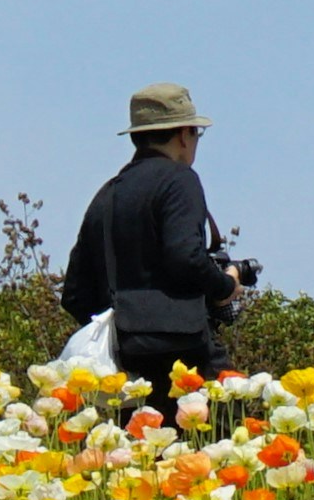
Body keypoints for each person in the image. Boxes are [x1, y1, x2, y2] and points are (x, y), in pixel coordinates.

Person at [64, 82, 249, 426]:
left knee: (143, 456)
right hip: (186, 353)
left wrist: (121, 322)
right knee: (225, 435)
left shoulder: (107, 194)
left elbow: (74, 294)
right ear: (183, 134)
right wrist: (226, 285)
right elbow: (185, 257)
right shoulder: (179, 180)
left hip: (127, 365)